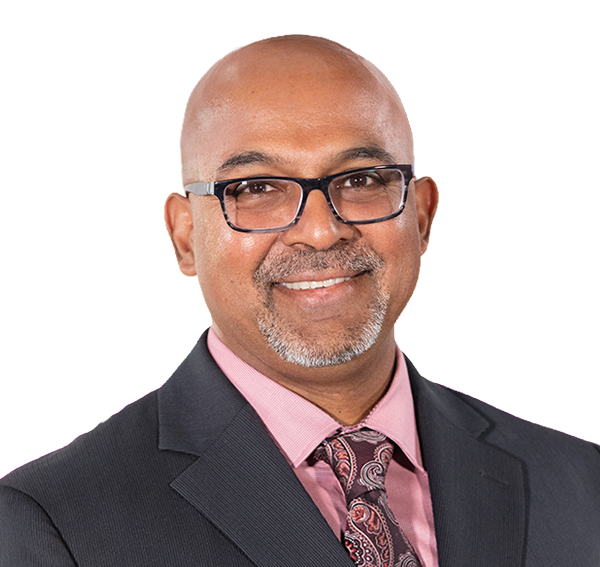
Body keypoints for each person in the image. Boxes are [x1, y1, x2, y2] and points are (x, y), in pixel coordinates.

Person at [1, 35, 599, 566]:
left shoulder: (581, 481)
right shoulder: (55, 521)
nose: (319, 231)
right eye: (256, 187)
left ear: (421, 217)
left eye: (361, 179)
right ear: (185, 237)